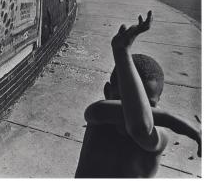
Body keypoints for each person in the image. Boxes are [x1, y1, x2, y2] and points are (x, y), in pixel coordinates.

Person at [75, 11, 201, 178]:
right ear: (107, 93)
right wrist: (190, 129)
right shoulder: (97, 113)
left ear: (158, 104)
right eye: (121, 99)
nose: (133, 111)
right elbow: (137, 120)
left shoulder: (158, 138)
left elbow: (139, 127)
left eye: (148, 104)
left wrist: (122, 52)